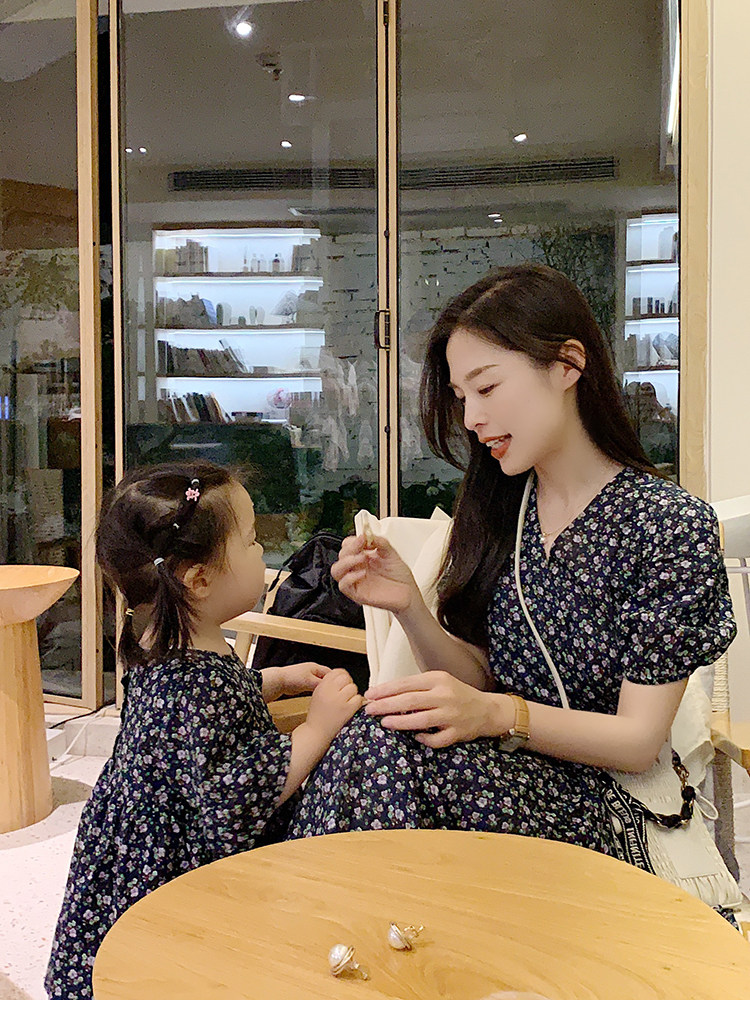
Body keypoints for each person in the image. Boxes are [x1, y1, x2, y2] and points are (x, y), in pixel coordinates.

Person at [287, 264, 736, 852]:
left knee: (385, 757)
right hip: (501, 778)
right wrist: (408, 607)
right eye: (461, 397)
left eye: (487, 388)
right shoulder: (502, 506)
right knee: (374, 738)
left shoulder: (667, 524)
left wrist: (498, 715)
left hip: (608, 804)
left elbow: (637, 741)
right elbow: (477, 679)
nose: (471, 418)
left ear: (568, 365)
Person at [45, 461, 361, 999]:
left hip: (140, 831)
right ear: (199, 580)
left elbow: (208, 717)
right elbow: (234, 796)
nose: (263, 552)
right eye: (253, 541)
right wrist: (317, 727)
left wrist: (272, 681)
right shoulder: (193, 680)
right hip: (174, 858)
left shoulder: (169, 644)